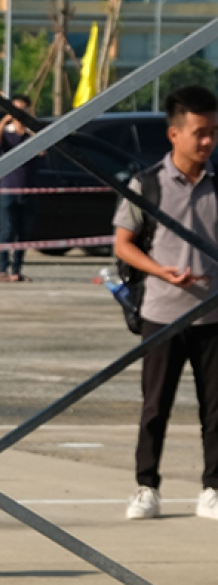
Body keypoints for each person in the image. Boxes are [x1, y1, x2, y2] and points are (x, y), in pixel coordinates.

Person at [113, 85, 218, 523]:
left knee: (216, 408)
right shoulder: (148, 185)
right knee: (155, 405)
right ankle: (146, 487)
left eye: (214, 132)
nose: (208, 141)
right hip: (162, 313)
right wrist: (161, 271)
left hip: (213, 316)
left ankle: (212, 489)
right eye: (200, 132)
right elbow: (123, 244)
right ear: (175, 134)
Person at [0, 95, 42, 283]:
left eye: (22, 110)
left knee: (23, 233)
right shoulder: (7, 134)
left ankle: (16, 270)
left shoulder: (30, 134)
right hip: (8, 189)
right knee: (7, 230)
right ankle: (3, 269)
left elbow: (42, 149)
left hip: (29, 191)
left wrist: (30, 123)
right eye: (15, 110)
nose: (18, 114)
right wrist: (4, 121)